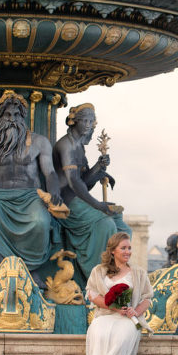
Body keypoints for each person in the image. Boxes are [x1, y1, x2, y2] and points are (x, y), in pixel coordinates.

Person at [0, 90, 62, 285]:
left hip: (30, 195)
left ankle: (31, 270)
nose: (12, 119)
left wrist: (54, 191)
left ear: (23, 116)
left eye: (16, 114)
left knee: (40, 221)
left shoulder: (39, 142)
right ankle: (3, 271)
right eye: (7, 115)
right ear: (1, 116)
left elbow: (49, 172)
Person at [53, 103, 131, 286]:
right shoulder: (67, 145)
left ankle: (117, 272)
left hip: (77, 199)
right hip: (65, 204)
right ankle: (98, 280)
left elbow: (84, 183)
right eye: (84, 120)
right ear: (74, 122)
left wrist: (99, 167)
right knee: (105, 224)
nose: (88, 124)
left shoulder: (79, 146)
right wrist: (97, 205)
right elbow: (73, 182)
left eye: (91, 121)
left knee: (122, 226)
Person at [83, 232, 153, 355]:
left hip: (128, 320)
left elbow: (147, 298)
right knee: (99, 335)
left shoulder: (138, 273)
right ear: (113, 251)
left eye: (129, 248)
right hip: (105, 315)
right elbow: (91, 294)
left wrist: (135, 311)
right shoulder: (99, 271)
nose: (128, 251)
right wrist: (113, 307)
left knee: (122, 340)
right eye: (123, 248)